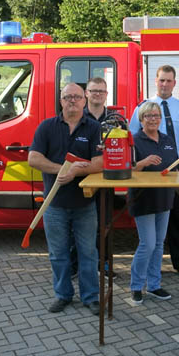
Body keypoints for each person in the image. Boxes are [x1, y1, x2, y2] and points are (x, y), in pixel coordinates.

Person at [28, 83, 103, 314]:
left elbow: (101, 162)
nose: (72, 100)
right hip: (55, 205)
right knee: (58, 254)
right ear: (61, 101)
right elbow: (33, 158)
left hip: (85, 204)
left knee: (88, 253)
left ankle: (91, 297)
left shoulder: (93, 128)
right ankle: (63, 295)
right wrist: (61, 169)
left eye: (77, 97)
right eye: (67, 97)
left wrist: (76, 172)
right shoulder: (47, 127)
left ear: (84, 100)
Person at [129, 65, 179, 279]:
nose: (165, 84)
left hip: (177, 167)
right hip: (149, 169)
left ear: (174, 83)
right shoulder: (142, 108)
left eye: (169, 81)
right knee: (152, 216)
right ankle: (152, 267)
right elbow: (132, 139)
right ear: (156, 81)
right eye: (162, 80)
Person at [129, 102, 179, 305]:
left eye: (156, 116)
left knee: (159, 244)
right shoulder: (134, 141)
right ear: (141, 119)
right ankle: (136, 286)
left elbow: (174, 170)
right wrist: (143, 163)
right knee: (147, 244)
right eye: (148, 116)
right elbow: (126, 170)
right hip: (142, 199)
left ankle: (154, 285)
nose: (153, 119)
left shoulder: (167, 140)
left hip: (165, 199)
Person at [70, 77, 115, 278]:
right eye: (93, 90)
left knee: (104, 226)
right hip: (79, 181)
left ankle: (103, 265)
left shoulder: (116, 120)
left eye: (101, 91)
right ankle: (75, 266)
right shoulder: (75, 117)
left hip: (106, 181)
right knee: (76, 225)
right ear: (86, 93)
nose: (97, 94)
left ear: (107, 95)